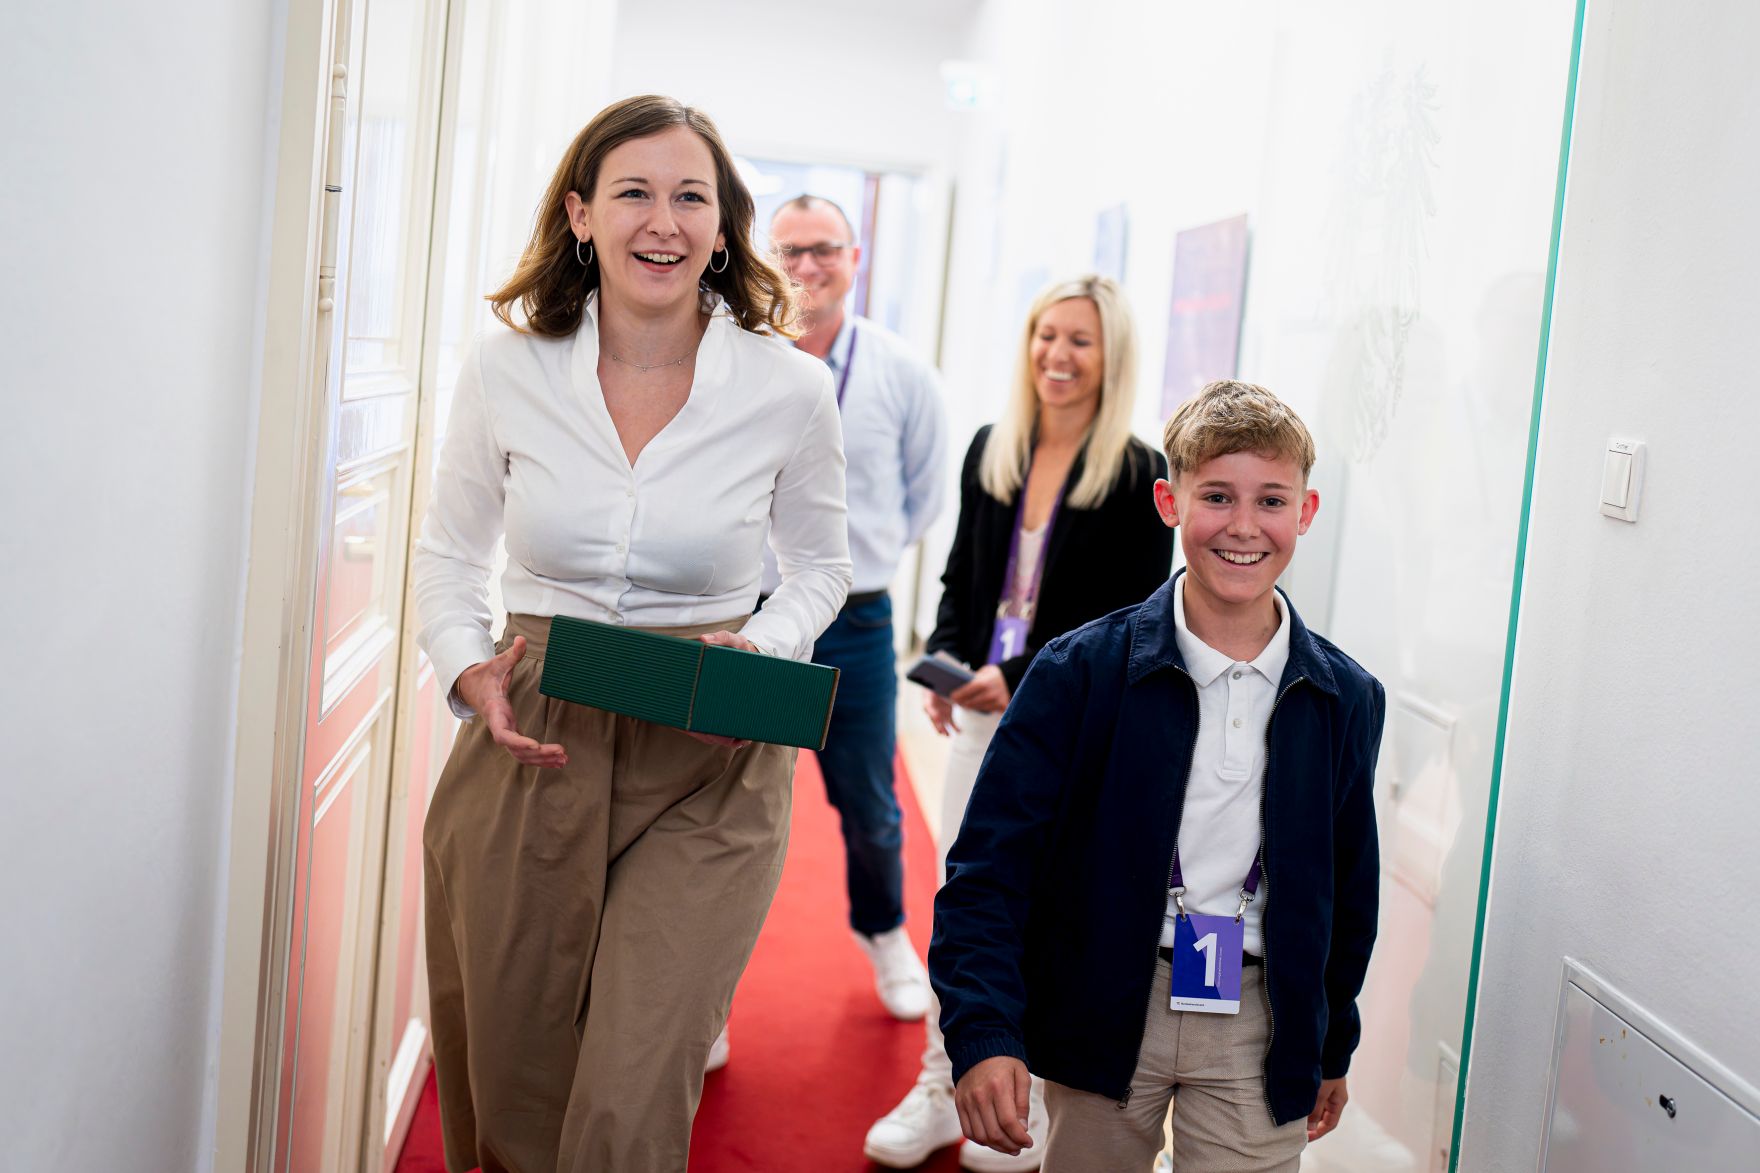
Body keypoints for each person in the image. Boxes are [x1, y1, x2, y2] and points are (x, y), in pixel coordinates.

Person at [411, 95, 852, 1173]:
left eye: (690, 196)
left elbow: (821, 568)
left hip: (707, 750)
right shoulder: (505, 369)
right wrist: (469, 673)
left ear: (720, 223)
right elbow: (447, 555)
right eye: (634, 193)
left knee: (628, 1093)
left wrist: (758, 652)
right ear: (579, 215)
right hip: (535, 734)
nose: (663, 220)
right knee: (515, 1093)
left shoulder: (788, 387)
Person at [930, 380, 1386, 1173]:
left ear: (1306, 512)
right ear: (1169, 501)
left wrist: (1331, 1041)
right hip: (1106, 997)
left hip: (1261, 1020)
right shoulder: (1077, 673)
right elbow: (989, 867)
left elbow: (1347, 891)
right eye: (1217, 495)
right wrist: (983, 1030)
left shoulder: (1346, 697)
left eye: (1271, 500)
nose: (1244, 526)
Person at [864, 275, 1173, 1172]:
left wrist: (1020, 675)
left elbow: (1128, 615)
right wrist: (950, 663)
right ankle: (940, 1083)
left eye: (1080, 340)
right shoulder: (992, 447)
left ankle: (1027, 1097)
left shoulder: (1139, 472)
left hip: (1072, 725)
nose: (1058, 356)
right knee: (967, 902)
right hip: (982, 717)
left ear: (1112, 356)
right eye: (1045, 335)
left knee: (1053, 908)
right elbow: (965, 578)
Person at [737, 195, 946, 1041]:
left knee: (868, 801)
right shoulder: (741, 362)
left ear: (855, 258)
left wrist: (868, 550)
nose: (806, 266)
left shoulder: (900, 372)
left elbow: (924, 494)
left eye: (823, 249)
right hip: (751, 616)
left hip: (855, 624)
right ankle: (712, 976)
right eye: (788, 251)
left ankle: (885, 932)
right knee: (734, 800)